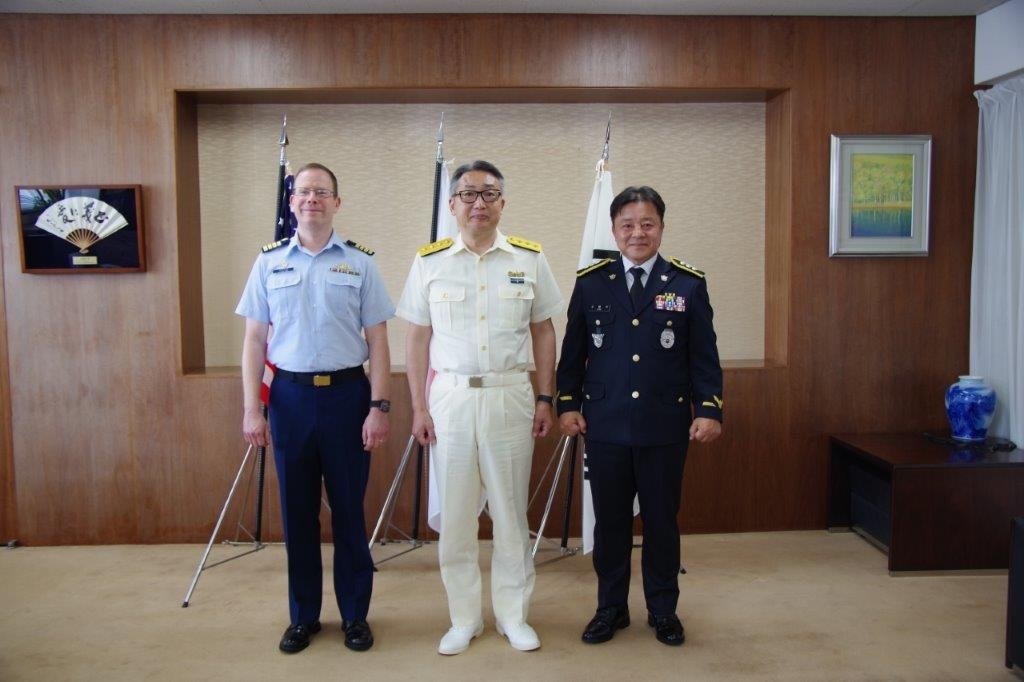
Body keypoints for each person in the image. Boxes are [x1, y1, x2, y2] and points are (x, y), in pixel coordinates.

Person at [397, 160, 562, 655]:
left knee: (510, 514)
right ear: (452, 205)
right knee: (457, 518)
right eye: (468, 194)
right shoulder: (430, 261)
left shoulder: (528, 258)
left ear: (502, 203)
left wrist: (545, 396)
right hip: (449, 399)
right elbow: (416, 339)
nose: (478, 203)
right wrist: (419, 408)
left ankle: (513, 616)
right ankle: (464, 619)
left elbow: (544, 331)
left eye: (489, 194)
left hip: (510, 395)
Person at [236, 162, 394, 654]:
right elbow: (254, 340)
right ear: (292, 203)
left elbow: (379, 341)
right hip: (290, 399)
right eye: (303, 192)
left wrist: (379, 407)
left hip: (348, 398)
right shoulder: (268, 263)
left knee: (349, 512)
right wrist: (252, 409)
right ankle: (303, 617)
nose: (312, 200)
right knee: (297, 514)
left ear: (336, 203)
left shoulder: (361, 263)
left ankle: (355, 616)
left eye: (322, 192)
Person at [556, 185, 723, 647]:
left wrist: (709, 409)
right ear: (614, 230)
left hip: (664, 425)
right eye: (627, 225)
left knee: (661, 522)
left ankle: (663, 609)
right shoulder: (591, 282)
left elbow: (704, 357)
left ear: (661, 228)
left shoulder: (687, 283)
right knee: (610, 523)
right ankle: (610, 608)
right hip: (605, 424)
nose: (637, 233)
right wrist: (567, 404)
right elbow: (573, 353)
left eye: (647, 224)